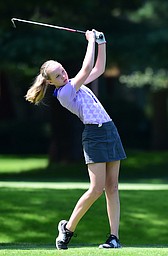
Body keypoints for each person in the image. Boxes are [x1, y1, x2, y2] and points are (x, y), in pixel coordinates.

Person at [25, 29, 126, 250]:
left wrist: (102, 42)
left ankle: (113, 237)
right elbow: (87, 68)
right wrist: (90, 41)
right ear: (51, 82)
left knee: (113, 187)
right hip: (94, 136)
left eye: (62, 70)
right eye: (58, 75)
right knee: (96, 189)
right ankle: (68, 229)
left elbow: (98, 68)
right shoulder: (65, 93)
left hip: (109, 130)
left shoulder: (74, 83)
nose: (63, 74)